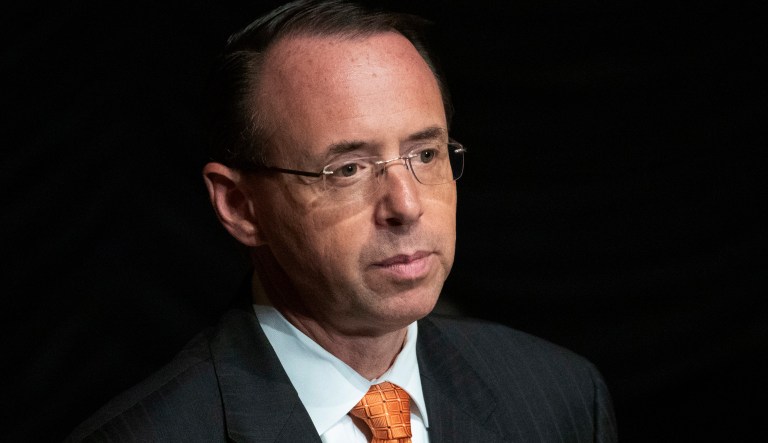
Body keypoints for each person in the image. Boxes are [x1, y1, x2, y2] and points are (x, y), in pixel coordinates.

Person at [66, 0, 617, 441]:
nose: (406, 205)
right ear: (239, 206)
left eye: (425, 155)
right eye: (348, 169)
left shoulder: (560, 397)